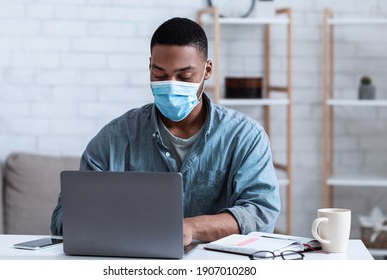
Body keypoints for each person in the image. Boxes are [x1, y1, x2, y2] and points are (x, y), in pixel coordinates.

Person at [51, 17, 280, 246]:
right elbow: (63, 218)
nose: (170, 84)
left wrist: (191, 227)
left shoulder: (245, 137)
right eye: (159, 75)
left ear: (207, 70)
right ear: (150, 67)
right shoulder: (114, 138)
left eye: (184, 76)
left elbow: (261, 214)